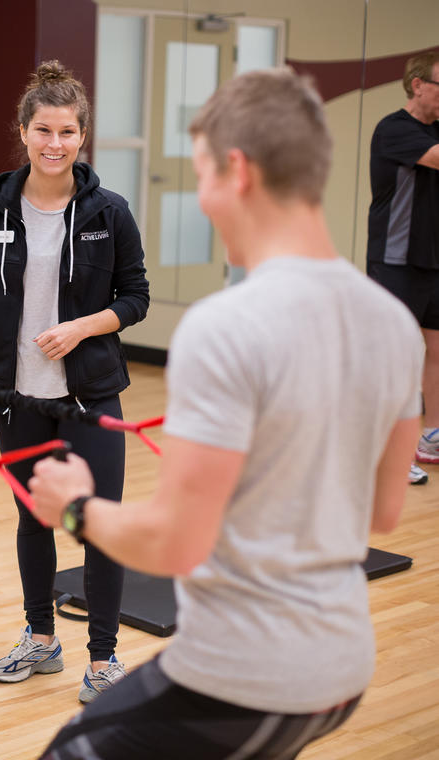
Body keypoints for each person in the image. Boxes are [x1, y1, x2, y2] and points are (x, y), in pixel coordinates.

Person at [27, 68, 421, 759]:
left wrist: (75, 508)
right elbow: (384, 508)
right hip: (345, 666)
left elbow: (175, 543)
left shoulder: (226, 326)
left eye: (202, 175)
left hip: (249, 676)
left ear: (236, 171)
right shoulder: (392, 322)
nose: (202, 199)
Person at [0, 61, 149, 702]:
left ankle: (103, 659)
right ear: (23, 131)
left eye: (68, 132)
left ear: (82, 137)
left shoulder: (108, 211)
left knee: (99, 523)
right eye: (44, 130)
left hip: (90, 395)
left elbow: (136, 298)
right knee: (32, 519)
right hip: (17, 396)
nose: (55, 143)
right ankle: (41, 639)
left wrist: (81, 327)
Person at [366, 49, 439, 487]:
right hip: (397, 262)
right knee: (394, 359)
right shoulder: (395, 129)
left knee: (438, 349)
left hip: (435, 262)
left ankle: (430, 437)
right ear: (419, 85)